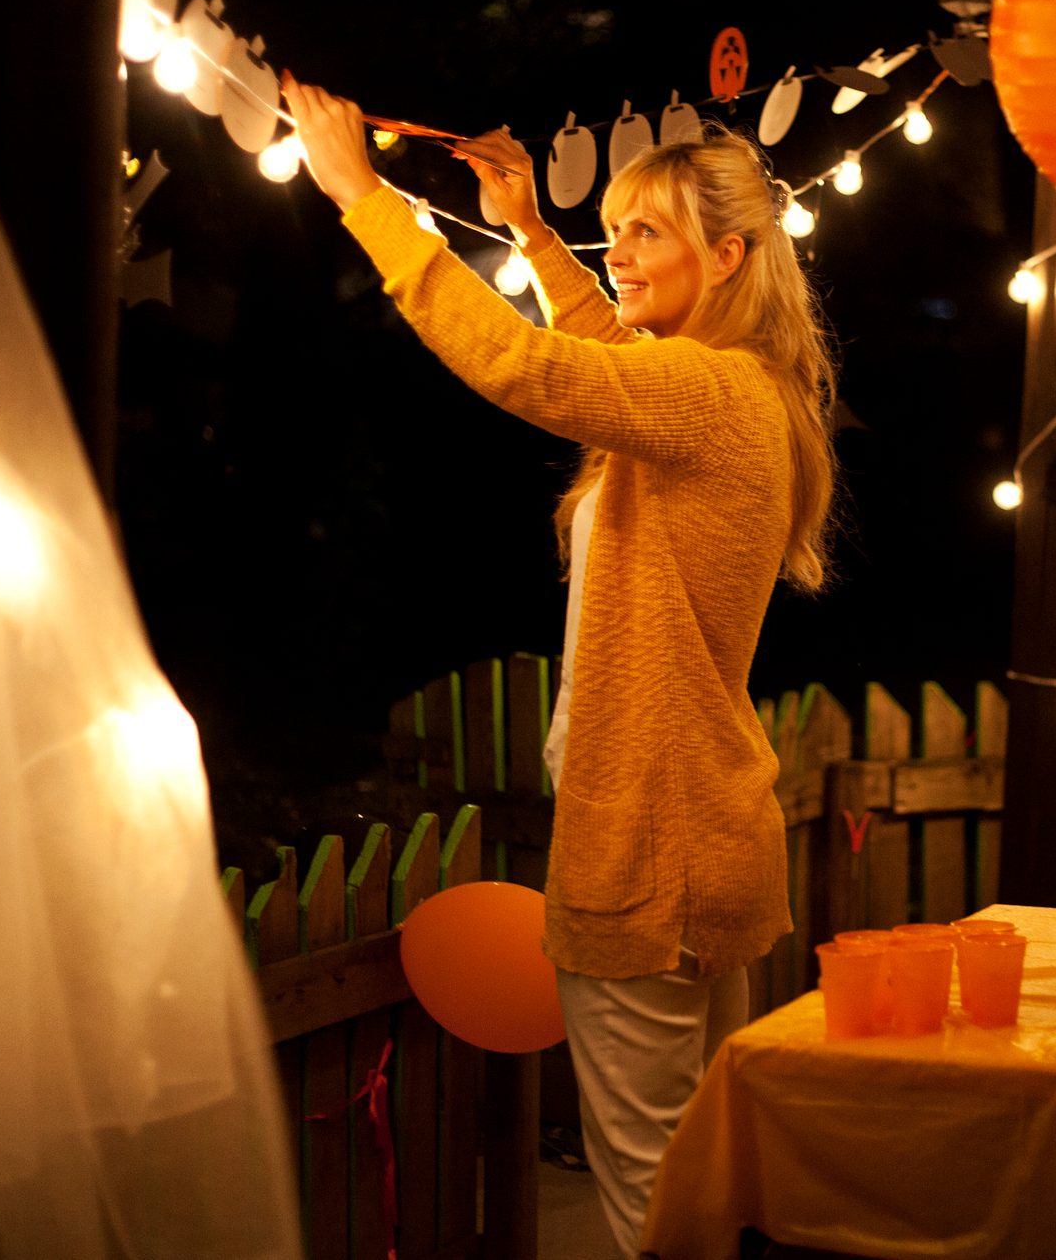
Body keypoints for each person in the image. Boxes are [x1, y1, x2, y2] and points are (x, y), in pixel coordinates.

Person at [283, 76, 838, 1258]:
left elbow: (522, 365)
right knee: (706, 1184)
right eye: (614, 227)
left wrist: (364, 196)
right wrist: (534, 233)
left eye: (648, 233)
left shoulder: (706, 392)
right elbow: (596, 350)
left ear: (728, 256)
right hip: (704, 833)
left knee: (652, 1203)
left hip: (651, 846)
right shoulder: (732, 389)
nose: (617, 250)